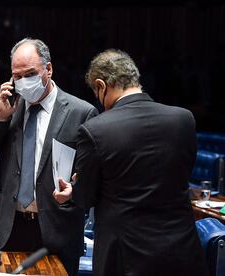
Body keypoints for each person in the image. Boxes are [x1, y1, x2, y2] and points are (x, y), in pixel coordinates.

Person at [54, 49, 208, 276]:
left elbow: (86, 198)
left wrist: (75, 188)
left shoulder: (95, 130)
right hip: (181, 251)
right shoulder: (183, 119)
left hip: (125, 258)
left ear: (101, 85)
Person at [0, 38, 98, 275]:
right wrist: (1, 119)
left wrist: (74, 189)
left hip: (58, 228)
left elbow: (90, 175)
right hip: (11, 226)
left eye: (30, 74)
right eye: (16, 77)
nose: (23, 82)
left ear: (48, 69)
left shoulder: (81, 112)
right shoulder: (4, 107)